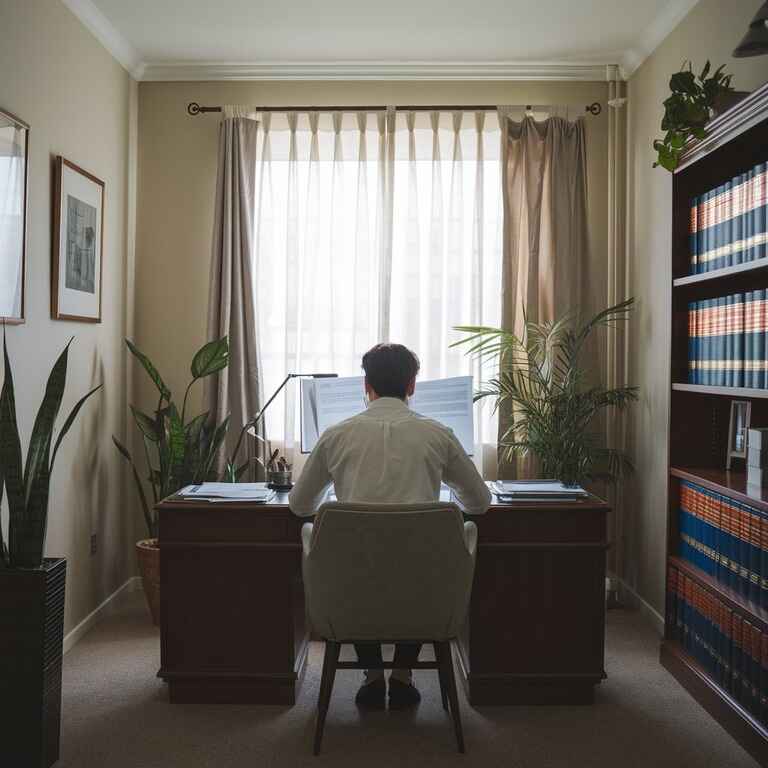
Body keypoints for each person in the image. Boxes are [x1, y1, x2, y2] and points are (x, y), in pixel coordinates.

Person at [289, 343, 491, 710]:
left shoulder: (336, 435)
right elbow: (479, 502)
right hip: (426, 596)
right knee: (420, 565)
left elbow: (300, 505)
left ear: (365, 385)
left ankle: (372, 673)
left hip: (348, 596)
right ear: (412, 385)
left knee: (356, 563)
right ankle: (402, 673)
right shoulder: (438, 434)